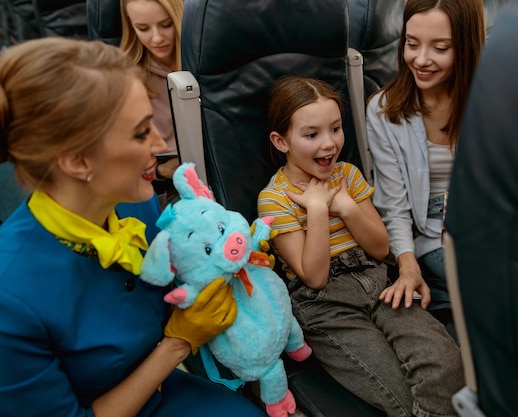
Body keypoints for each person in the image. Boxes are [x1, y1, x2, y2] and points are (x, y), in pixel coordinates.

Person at [0, 37, 266, 417]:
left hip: (162, 389)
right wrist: (178, 344)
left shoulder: (136, 203)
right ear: (77, 161)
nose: (159, 144)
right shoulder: (10, 298)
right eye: (142, 132)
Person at [257, 75, 464, 417]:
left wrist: (347, 207)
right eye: (312, 135)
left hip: (379, 283)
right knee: (396, 392)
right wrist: (320, 210)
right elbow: (314, 276)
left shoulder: (348, 175)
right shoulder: (274, 200)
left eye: (336, 129)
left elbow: (380, 249)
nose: (329, 144)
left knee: (445, 364)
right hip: (326, 306)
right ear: (281, 141)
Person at [366, 0, 486, 322]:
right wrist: (407, 266)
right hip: (437, 239)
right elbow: (394, 206)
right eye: (412, 43)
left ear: (465, 45)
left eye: (440, 48)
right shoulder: (384, 111)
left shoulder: (492, 99)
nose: (420, 60)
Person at [120, 0, 183, 206]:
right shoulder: (127, 77)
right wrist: (160, 171)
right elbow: (119, 155)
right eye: (143, 28)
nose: (156, 38)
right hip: (164, 181)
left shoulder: (209, 62)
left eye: (166, 25)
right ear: (131, 27)